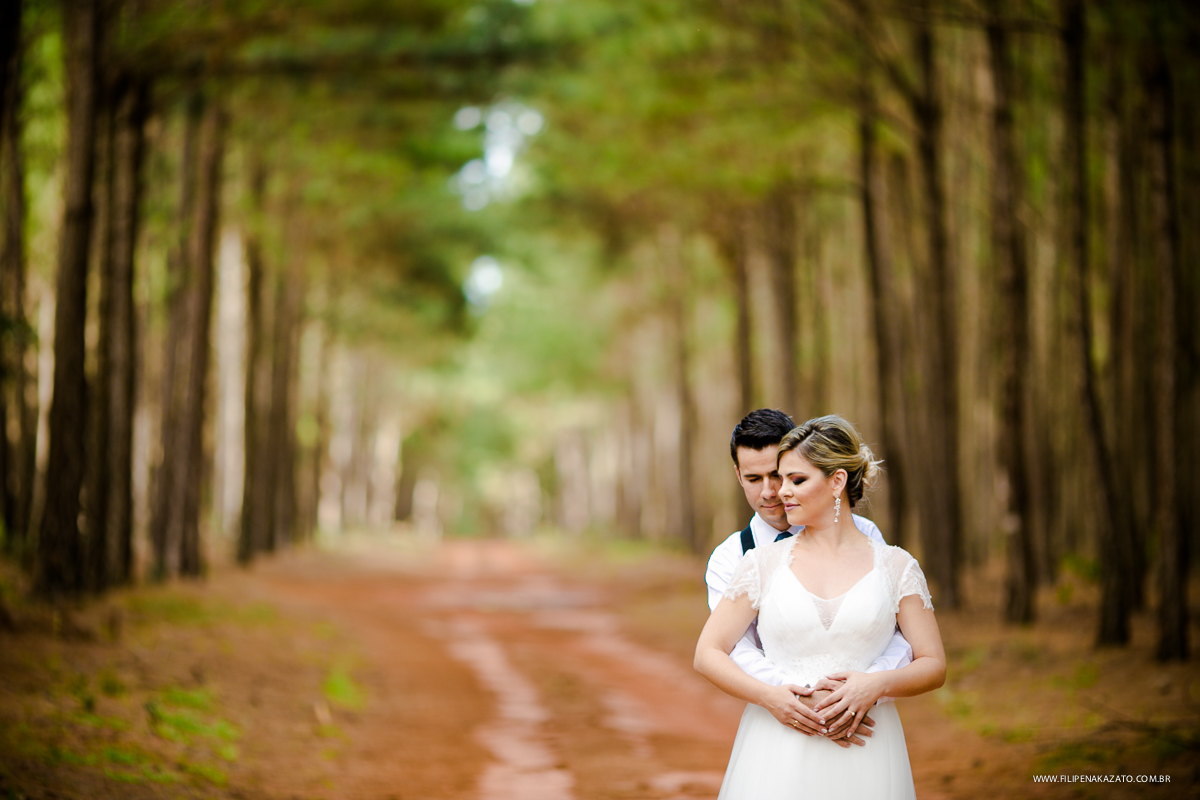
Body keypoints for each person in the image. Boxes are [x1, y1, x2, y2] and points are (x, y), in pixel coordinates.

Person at [696, 414, 946, 799]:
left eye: (790, 479)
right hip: (781, 732)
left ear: (837, 481)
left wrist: (871, 687)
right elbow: (720, 650)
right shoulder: (749, 561)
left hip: (866, 736)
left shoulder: (890, 559)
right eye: (756, 479)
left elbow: (913, 648)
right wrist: (787, 697)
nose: (777, 492)